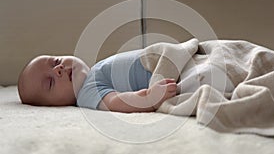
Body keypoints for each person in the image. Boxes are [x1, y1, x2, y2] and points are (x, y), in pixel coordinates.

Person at [17, 49, 178, 113]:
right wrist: (149, 98)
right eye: (50, 82)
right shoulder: (86, 93)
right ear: (52, 106)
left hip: (169, 57)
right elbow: (115, 101)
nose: (58, 69)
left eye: (56, 61)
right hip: (168, 74)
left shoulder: (94, 73)